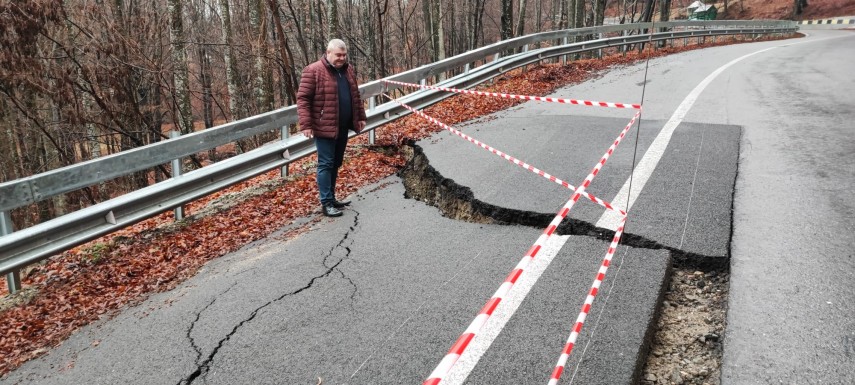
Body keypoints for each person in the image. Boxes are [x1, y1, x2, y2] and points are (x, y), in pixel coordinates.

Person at [297, 39, 367, 217]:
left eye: (344, 55)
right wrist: (306, 124)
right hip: (324, 126)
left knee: (336, 163)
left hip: (343, 126)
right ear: (328, 53)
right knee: (326, 164)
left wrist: (360, 117)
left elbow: (355, 96)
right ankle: (326, 202)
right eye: (338, 55)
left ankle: (332, 198)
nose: (341, 58)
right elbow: (303, 99)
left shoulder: (348, 70)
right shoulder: (313, 71)